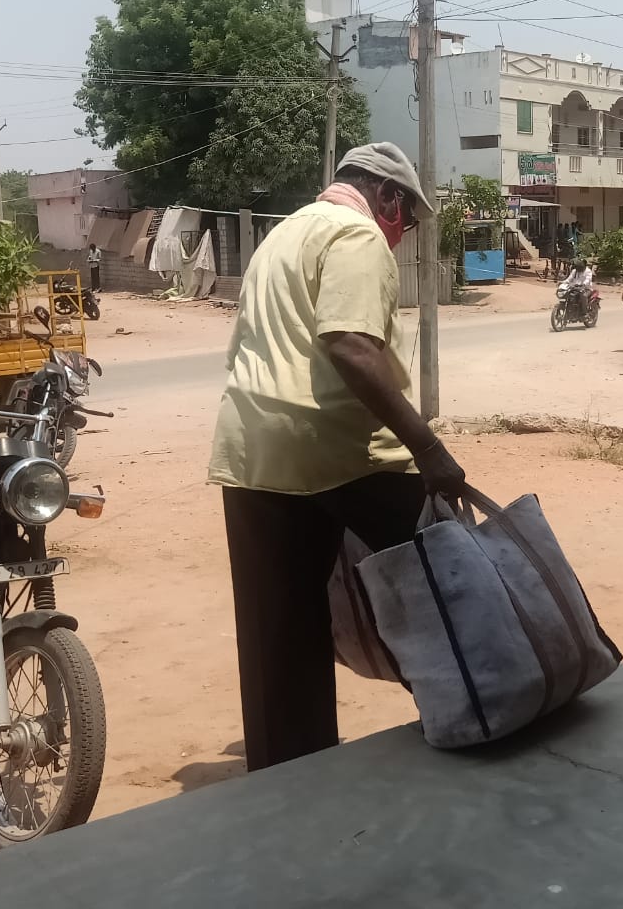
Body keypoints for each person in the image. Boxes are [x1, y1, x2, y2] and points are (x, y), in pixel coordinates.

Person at [208, 141, 467, 773]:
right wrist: (429, 449)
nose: (402, 236)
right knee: (447, 586)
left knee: (279, 634)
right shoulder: (356, 237)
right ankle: (483, 710)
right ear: (387, 197)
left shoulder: (281, 238)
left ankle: (289, 775)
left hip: (252, 454)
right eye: (405, 219)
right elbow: (351, 346)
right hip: (342, 449)